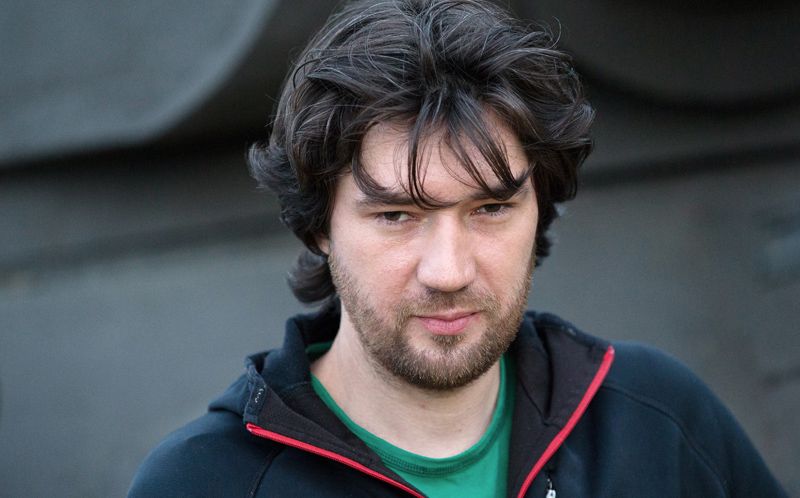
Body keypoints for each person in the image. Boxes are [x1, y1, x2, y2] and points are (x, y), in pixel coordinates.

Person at [129, 0, 787, 496]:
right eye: (396, 216)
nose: (448, 271)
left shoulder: (657, 422)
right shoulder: (203, 482)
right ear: (319, 225)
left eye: (490, 209)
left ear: (540, 207)